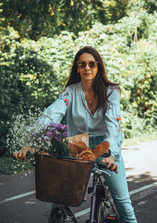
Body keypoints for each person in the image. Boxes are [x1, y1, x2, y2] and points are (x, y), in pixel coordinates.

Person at [37, 46, 138, 222]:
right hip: (78, 146)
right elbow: (51, 115)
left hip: (105, 146)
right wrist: (33, 139)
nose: (87, 68)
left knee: (123, 203)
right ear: (77, 68)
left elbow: (113, 124)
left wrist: (112, 155)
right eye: (82, 64)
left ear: (98, 67)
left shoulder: (111, 92)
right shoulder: (70, 92)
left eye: (91, 64)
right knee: (59, 202)